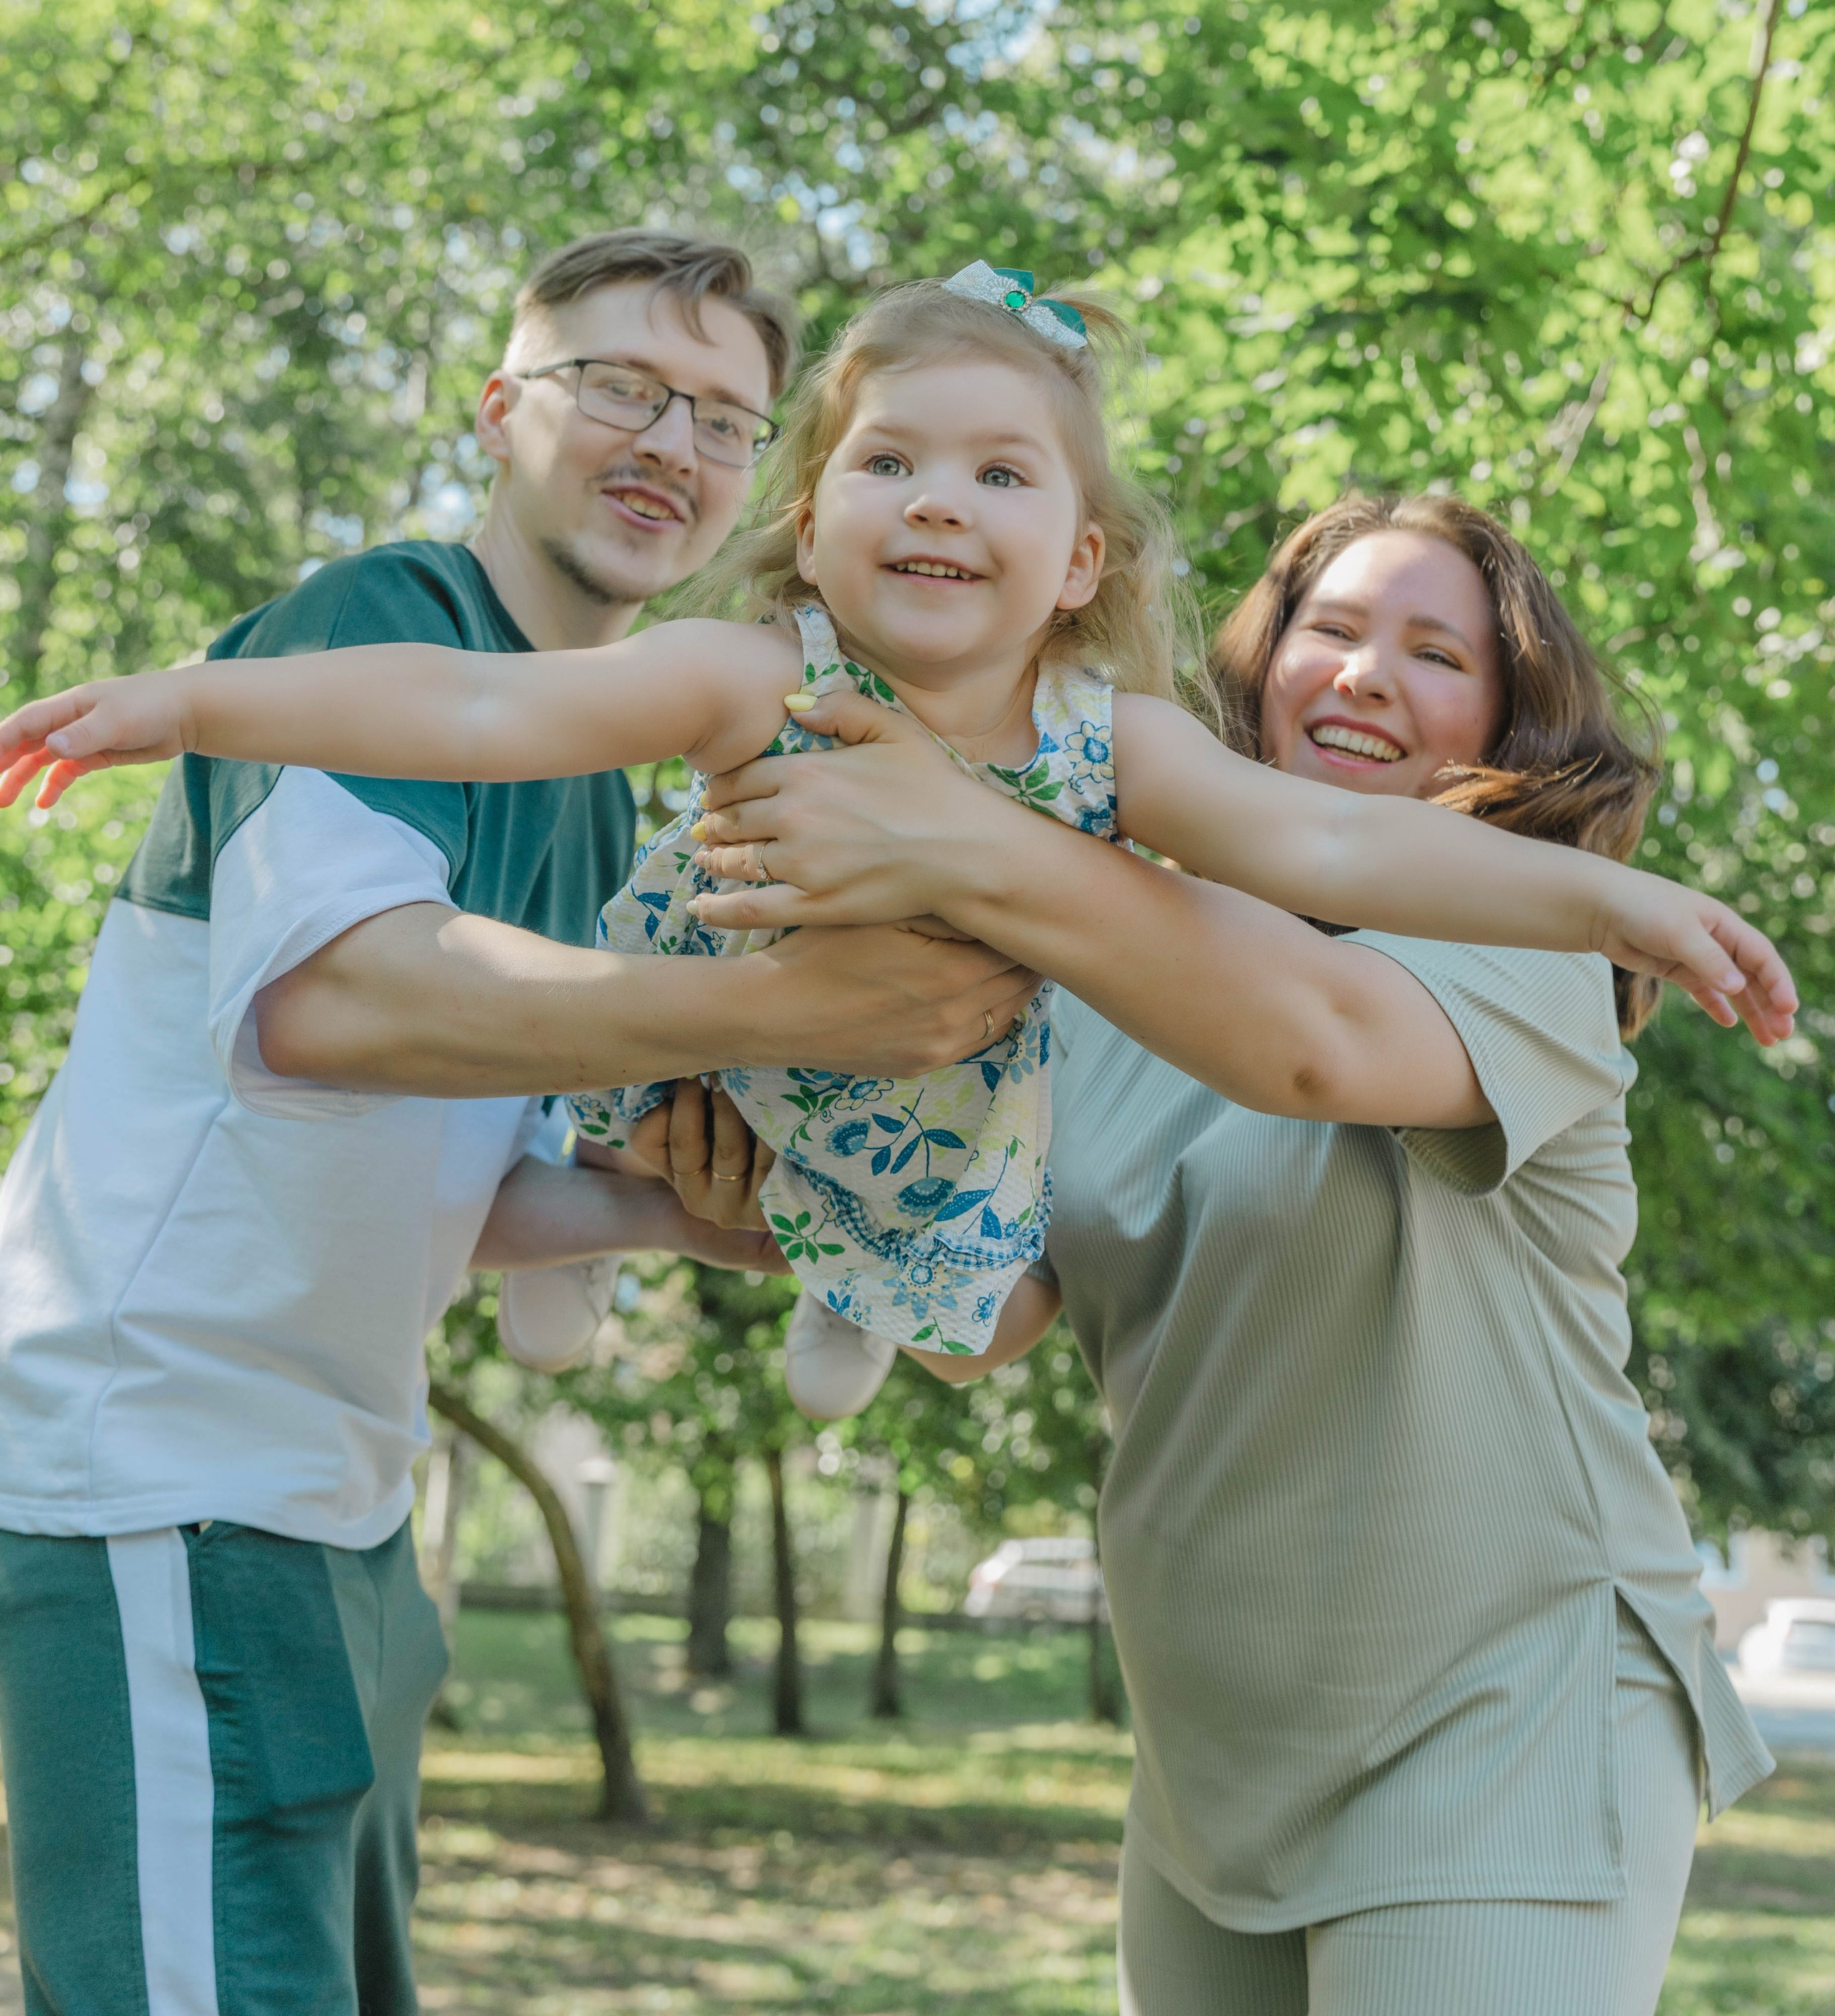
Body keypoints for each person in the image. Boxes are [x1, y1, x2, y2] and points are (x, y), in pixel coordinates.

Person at [5, 265, 1791, 1434]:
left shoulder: (1121, 750)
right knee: (604, 1071)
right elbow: (475, 712)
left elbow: (1353, 849)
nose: (937, 500)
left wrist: (1614, 898)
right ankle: (569, 1237)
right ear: (817, 518)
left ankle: (845, 1307)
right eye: (890, 464)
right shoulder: (748, 670)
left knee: (956, 1249)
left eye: (1001, 478)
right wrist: (188, 701)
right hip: (717, 1025)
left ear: (1079, 563)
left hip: (908, 1116)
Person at [0, 228, 1034, 2016]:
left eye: (722, 419)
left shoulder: (602, 784)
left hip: (337, 1512)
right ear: (500, 411)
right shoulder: (379, 636)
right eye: (620, 387)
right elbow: (340, 1007)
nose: (670, 444)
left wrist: (676, 1215)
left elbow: (450, 1179)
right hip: (158, 1475)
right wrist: (783, 1009)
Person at [643, 490, 1781, 2016]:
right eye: (1332, 629)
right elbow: (996, 1311)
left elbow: (1311, 1049)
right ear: (1256, 674)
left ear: (1502, 727)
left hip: (1501, 1711)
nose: (1367, 672)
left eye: (1433, 652)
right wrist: (809, 1203)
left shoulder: (1526, 944)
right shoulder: (1108, 966)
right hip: (1213, 1754)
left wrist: (966, 830)